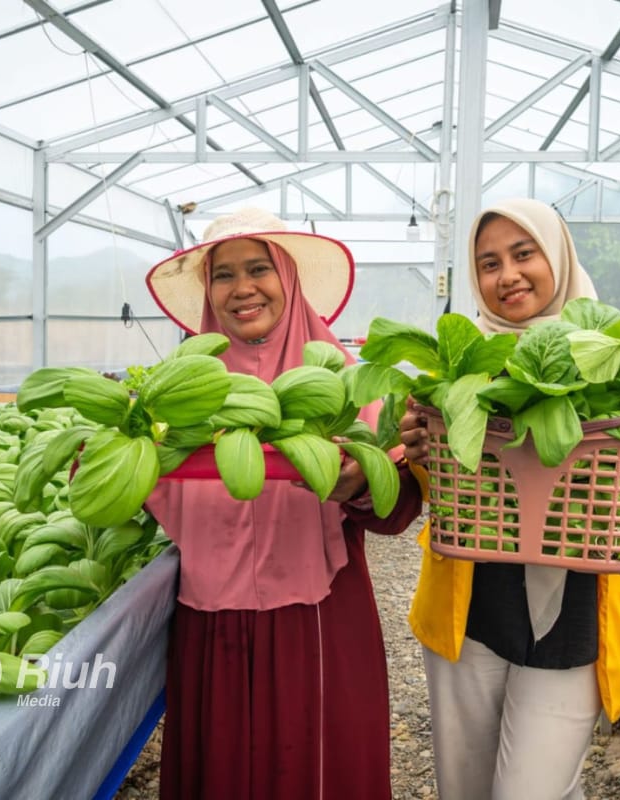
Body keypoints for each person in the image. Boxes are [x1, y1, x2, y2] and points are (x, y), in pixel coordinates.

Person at [399, 197, 620, 800]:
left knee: (532, 788)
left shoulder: (612, 352)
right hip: (470, 599)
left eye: (524, 254)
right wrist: (419, 454)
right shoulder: (460, 362)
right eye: (489, 263)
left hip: (577, 599)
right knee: (464, 786)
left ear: (557, 256)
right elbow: (443, 486)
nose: (507, 276)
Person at [143, 207, 425, 800]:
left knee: (316, 768)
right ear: (207, 293)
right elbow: (142, 494)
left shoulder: (344, 382)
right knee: (220, 771)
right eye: (223, 275)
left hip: (319, 617)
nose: (242, 289)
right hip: (211, 619)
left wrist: (361, 487)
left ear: (290, 281)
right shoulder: (178, 389)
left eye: (258, 269)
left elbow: (400, 507)